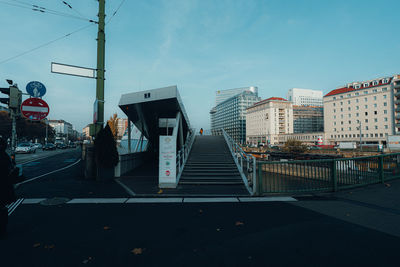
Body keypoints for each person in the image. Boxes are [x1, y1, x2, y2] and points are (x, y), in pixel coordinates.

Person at [0, 136, 17, 239]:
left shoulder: (5, 156)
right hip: (3, 186)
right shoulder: (5, 156)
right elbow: (10, 171)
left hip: (3, 185)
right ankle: (3, 230)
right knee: (2, 208)